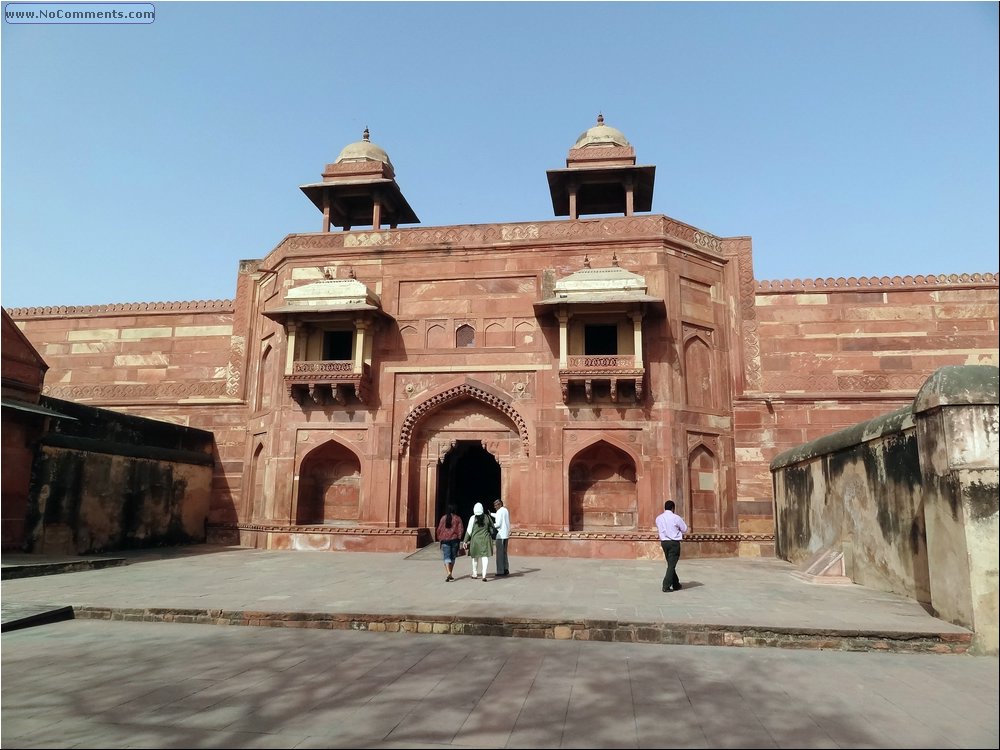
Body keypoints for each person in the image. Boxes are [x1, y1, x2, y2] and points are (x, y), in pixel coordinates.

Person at [655, 499, 688, 593]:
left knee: (671, 564)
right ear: (673, 508)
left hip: (664, 542)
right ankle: (666, 585)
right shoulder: (676, 518)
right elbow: (685, 529)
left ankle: (676, 584)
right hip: (674, 543)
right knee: (671, 565)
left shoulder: (659, 518)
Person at [462, 502, 495, 581]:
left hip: (475, 540)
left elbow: (469, 531)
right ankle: (484, 575)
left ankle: (475, 573)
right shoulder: (487, 517)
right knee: (485, 557)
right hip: (485, 539)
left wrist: (465, 541)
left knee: (475, 557)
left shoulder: (472, 518)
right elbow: (492, 528)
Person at [435, 504, 464, 582]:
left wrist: (439, 538)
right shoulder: (457, 518)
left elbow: (439, 529)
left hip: (445, 540)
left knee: (446, 557)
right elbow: (460, 529)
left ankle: (449, 573)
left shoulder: (443, 518)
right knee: (453, 557)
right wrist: (459, 538)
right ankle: (450, 573)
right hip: (454, 540)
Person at [491, 498, 511, 576]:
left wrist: (492, 525)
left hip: (500, 535)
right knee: (504, 553)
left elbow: (498, 524)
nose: (495, 507)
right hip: (506, 534)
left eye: (496, 505)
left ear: (500, 504)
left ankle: (500, 571)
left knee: (499, 554)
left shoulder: (499, 511)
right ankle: (506, 568)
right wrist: (491, 514)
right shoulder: (505, 510)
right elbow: (499, 516)